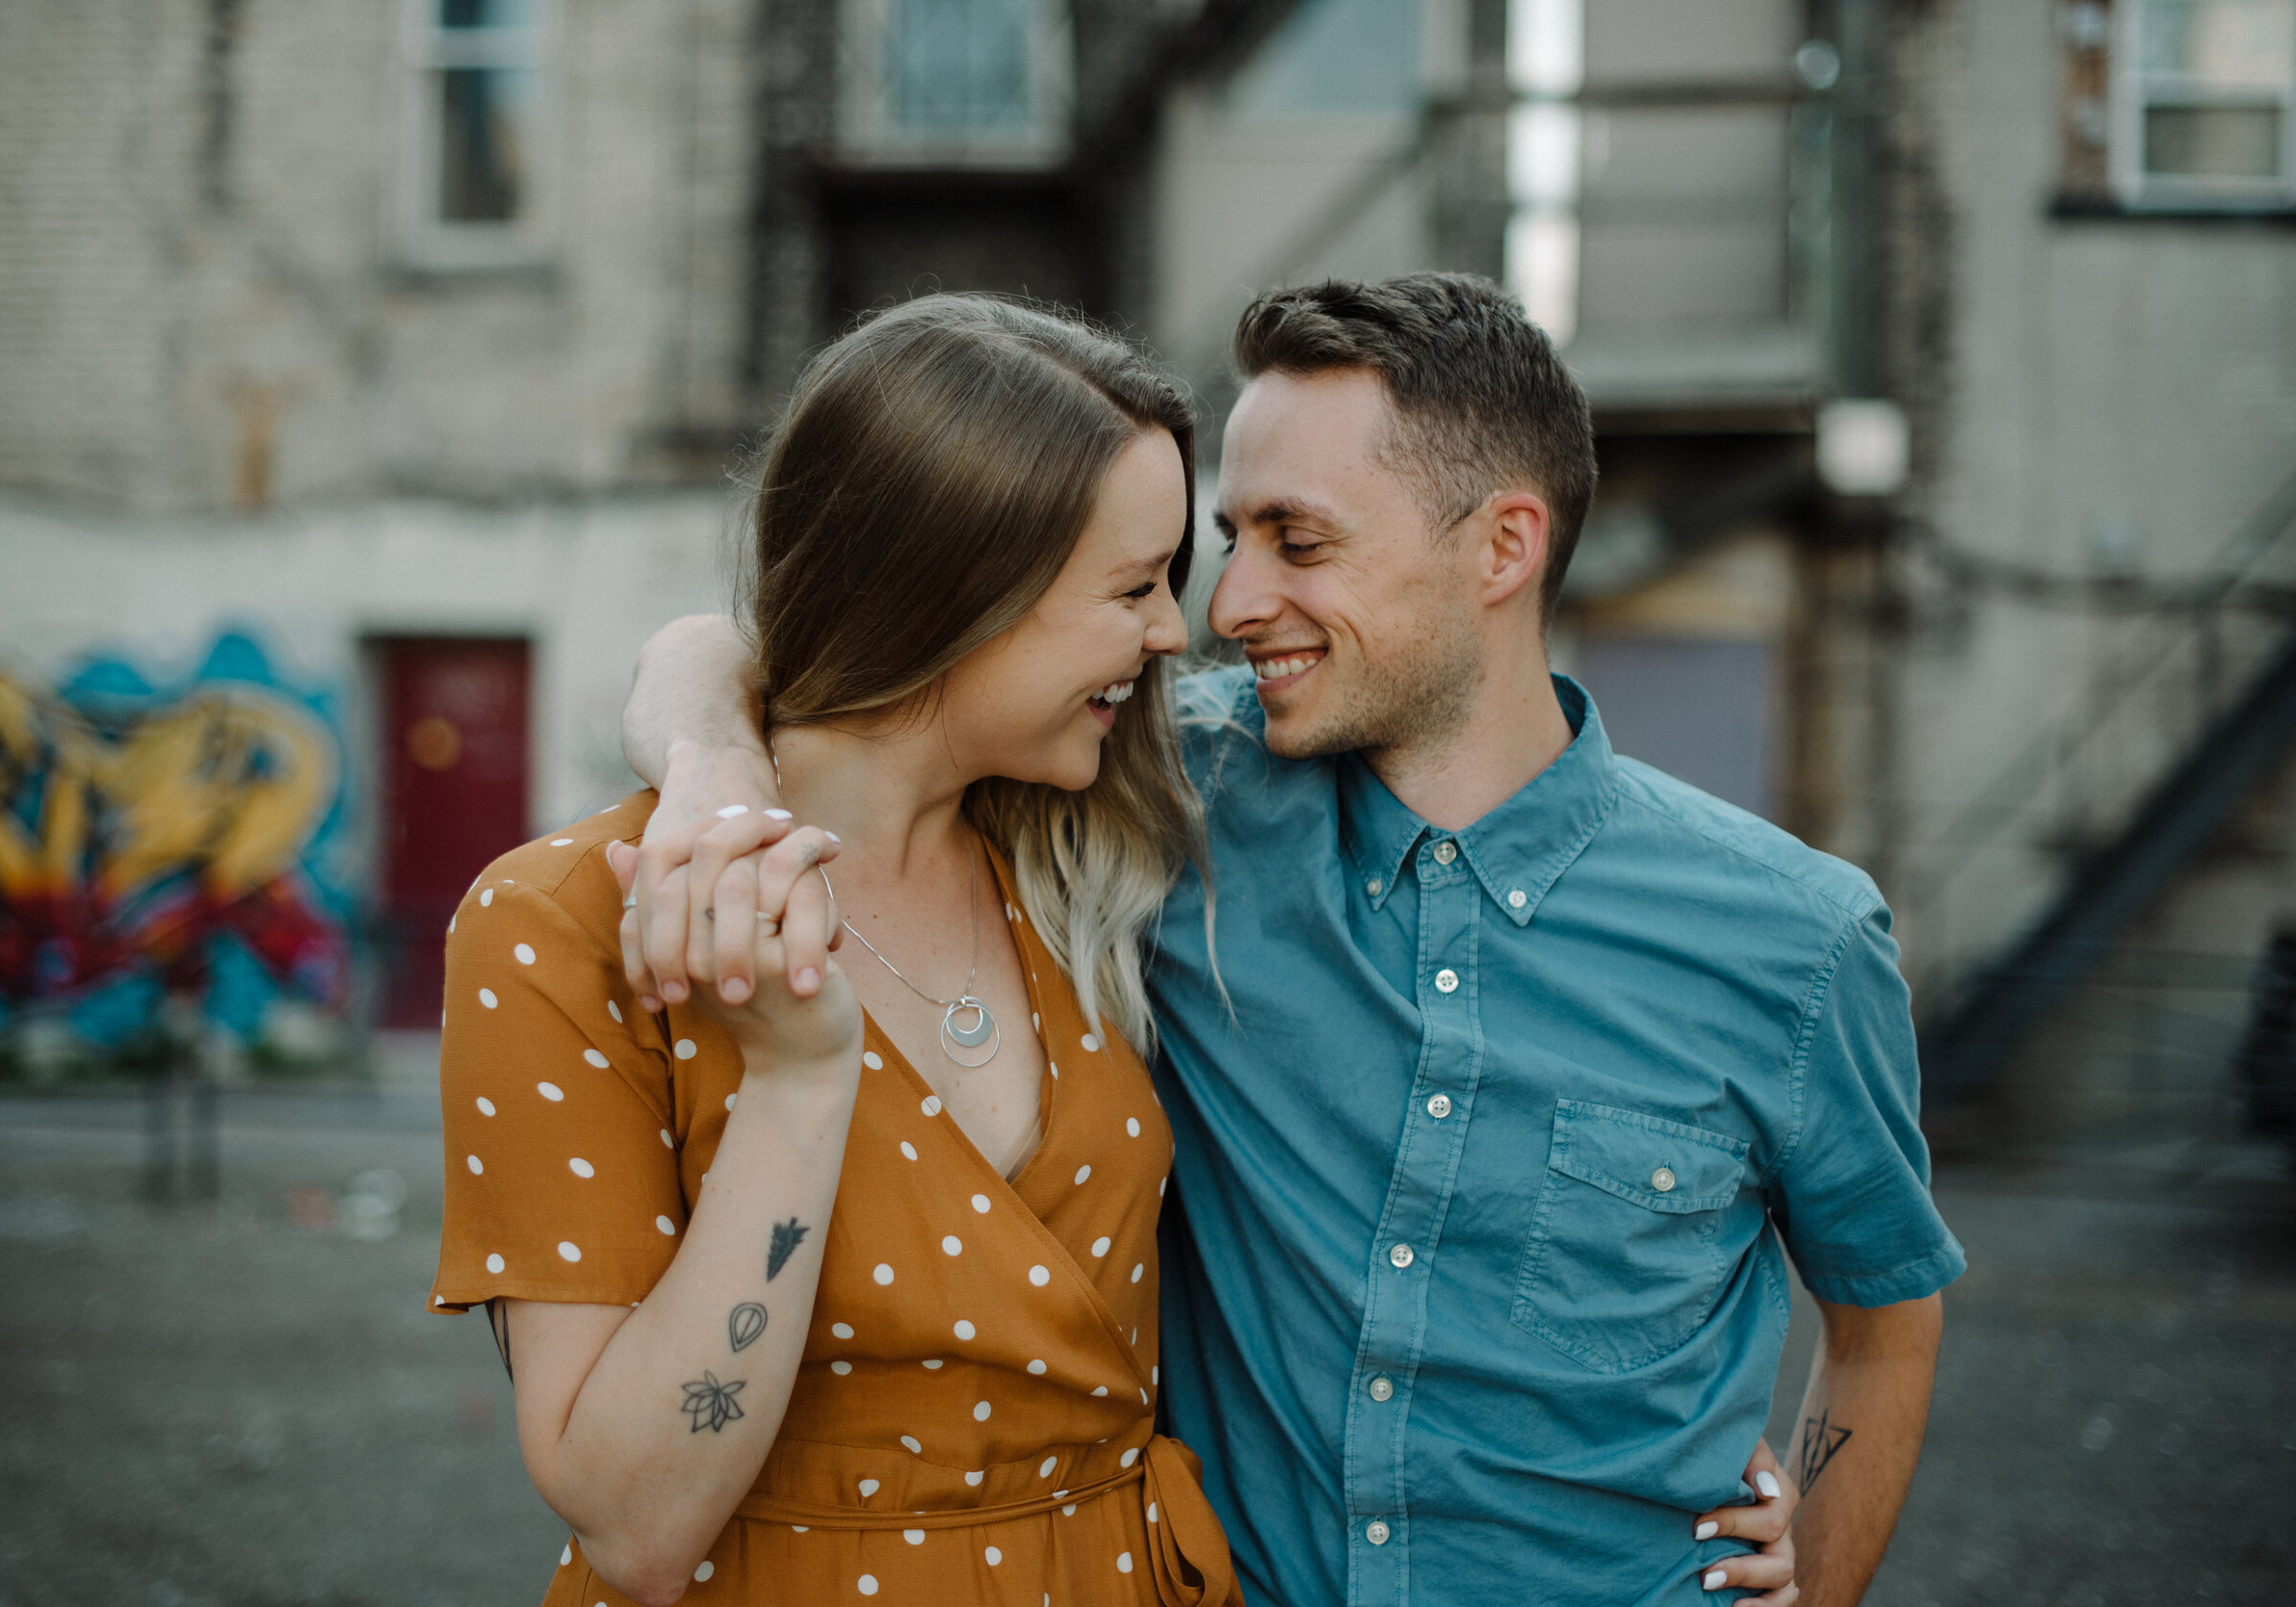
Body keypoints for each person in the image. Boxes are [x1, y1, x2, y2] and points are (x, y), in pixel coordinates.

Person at [619, 275, 1952, 1607]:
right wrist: (714, 769)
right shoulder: (1160, 795)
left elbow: (1884, 1318)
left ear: (1502, 548)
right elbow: (834, 657)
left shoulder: (1795, 938)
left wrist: (1815, 1581)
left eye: (1297, 543)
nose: (1232, 600)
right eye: (1231, 538)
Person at [429, 295, 1253, 1606]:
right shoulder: (565, 924)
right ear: (955, 596)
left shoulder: (1097, 846)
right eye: (1133, 585)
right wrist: (800, 1081)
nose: (1172, 633)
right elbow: (635, 1527)